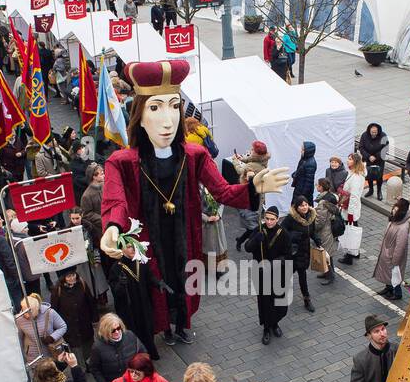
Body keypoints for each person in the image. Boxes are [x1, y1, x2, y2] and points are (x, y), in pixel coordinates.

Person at [98, 59, 285, 346]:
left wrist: (253, 186)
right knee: (158, 289)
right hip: (150, 241)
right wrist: (112, 226)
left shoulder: (194, 154)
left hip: (185, 237)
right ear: (140, 114)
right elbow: (115, 199)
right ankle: (168, 329)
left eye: (174, 106)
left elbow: (223, 192)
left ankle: (182, 325)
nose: (167, 119)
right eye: (155, 107)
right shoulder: (121, 161)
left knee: (184, 284)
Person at [249, 205, 293, 343]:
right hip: (261, 274)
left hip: (277, 273)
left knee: (279, 302)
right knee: (265, 302)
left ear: (277, 219)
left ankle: (275, 323)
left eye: (272, 219)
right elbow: (247, 247)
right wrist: (256, 239)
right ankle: (266, 328)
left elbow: (288, 255)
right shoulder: (259, 230)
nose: (269, 222)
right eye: (267, 219)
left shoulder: (283, 233)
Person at [48, 269, 97, 367]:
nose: (72, 278)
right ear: (63, 278)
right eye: (69, 276)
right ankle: (81, 370)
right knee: (76, 350)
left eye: (73, 275)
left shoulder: (82, 284)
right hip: (70, 328)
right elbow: (54, 311)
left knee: (88, 347)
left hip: (85, 324)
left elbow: (90, 302)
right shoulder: (57, 289)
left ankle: (91, 366)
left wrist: (95, 318)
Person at [88, 314, 147, 382]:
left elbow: (143, 353)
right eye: (112, 330)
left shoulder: (130, 335)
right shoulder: (97, 347)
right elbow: (94, 368)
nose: (117, 332)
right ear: (106, 331)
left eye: (118, 328)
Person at [281, 195, 318, 313]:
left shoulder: (311, 217)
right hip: (292, 253)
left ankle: (307, 299)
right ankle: (280, 294)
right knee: (286, 275)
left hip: (304, 252)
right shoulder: (290, 218)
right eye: (301, 205)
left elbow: (312, 232)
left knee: (303, 276)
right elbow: (282, 232)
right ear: (296, 207)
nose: (304, 207)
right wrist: (294, 235)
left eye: (306, 204)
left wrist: (317, 239)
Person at [373, 198, 410, 302]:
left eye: (396, 207)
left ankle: (397, 293)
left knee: (395, 274)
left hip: (393, 255)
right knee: (388, 272)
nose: (393, 209)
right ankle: (388, 288)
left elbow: (400, 246)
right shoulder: (395, 220)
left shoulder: (403, 227)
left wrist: (395, 260)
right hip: (387, 252)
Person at [339, 153, 367, 266]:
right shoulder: (355, 173)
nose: (347, 161)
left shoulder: (356, 177)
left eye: (350, 159)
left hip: (351, 209)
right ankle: (355, 252)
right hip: (352, 208)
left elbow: (354, 196)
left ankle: (350, 255)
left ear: (355, 162)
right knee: (353, 229)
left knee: (350, 231)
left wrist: (350, 213)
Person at [313, 176, 341, 285]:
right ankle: (327, 273)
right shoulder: (332, 197)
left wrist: (313, 228)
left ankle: (330, 276)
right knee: (328, 253)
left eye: (317, 185)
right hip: (330, 229)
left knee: (326, 253)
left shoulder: (322, 202)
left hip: (325, 231)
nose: (316, 186)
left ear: (321, 187)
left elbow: (320, 221)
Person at [358, 123, 388, 199]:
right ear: (369, 131)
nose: (374, 134)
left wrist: (376, 156)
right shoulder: (364, 135)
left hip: (379, 160)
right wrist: (368, 156)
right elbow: (361, 147)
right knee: (368, 175)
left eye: (375, 132)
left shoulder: (383, 135)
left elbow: (385, 148)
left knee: (379, 176)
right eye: (372, 132)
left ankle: (379, 191)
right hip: (367, 159)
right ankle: (371, 190)